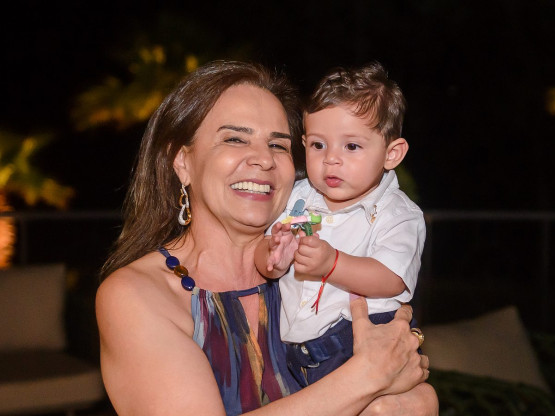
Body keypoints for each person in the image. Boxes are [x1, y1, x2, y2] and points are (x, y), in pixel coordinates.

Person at [96, 60, 437, 416]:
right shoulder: (137, 295)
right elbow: (374, 376)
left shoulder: (307, 274)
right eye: (235, 138)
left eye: (277, 145)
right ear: (181, 161)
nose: (263, 159)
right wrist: (367, 376)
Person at [255, 62, 425, 386]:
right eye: (318, 145)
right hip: (291, 350)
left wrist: (332, 264)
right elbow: (265, 255)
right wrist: (273, 255)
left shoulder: (397, 214)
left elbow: (392, 279)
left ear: (391, 154)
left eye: (351, 146)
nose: (331, 158)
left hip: (358, 341)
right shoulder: (297, 197)